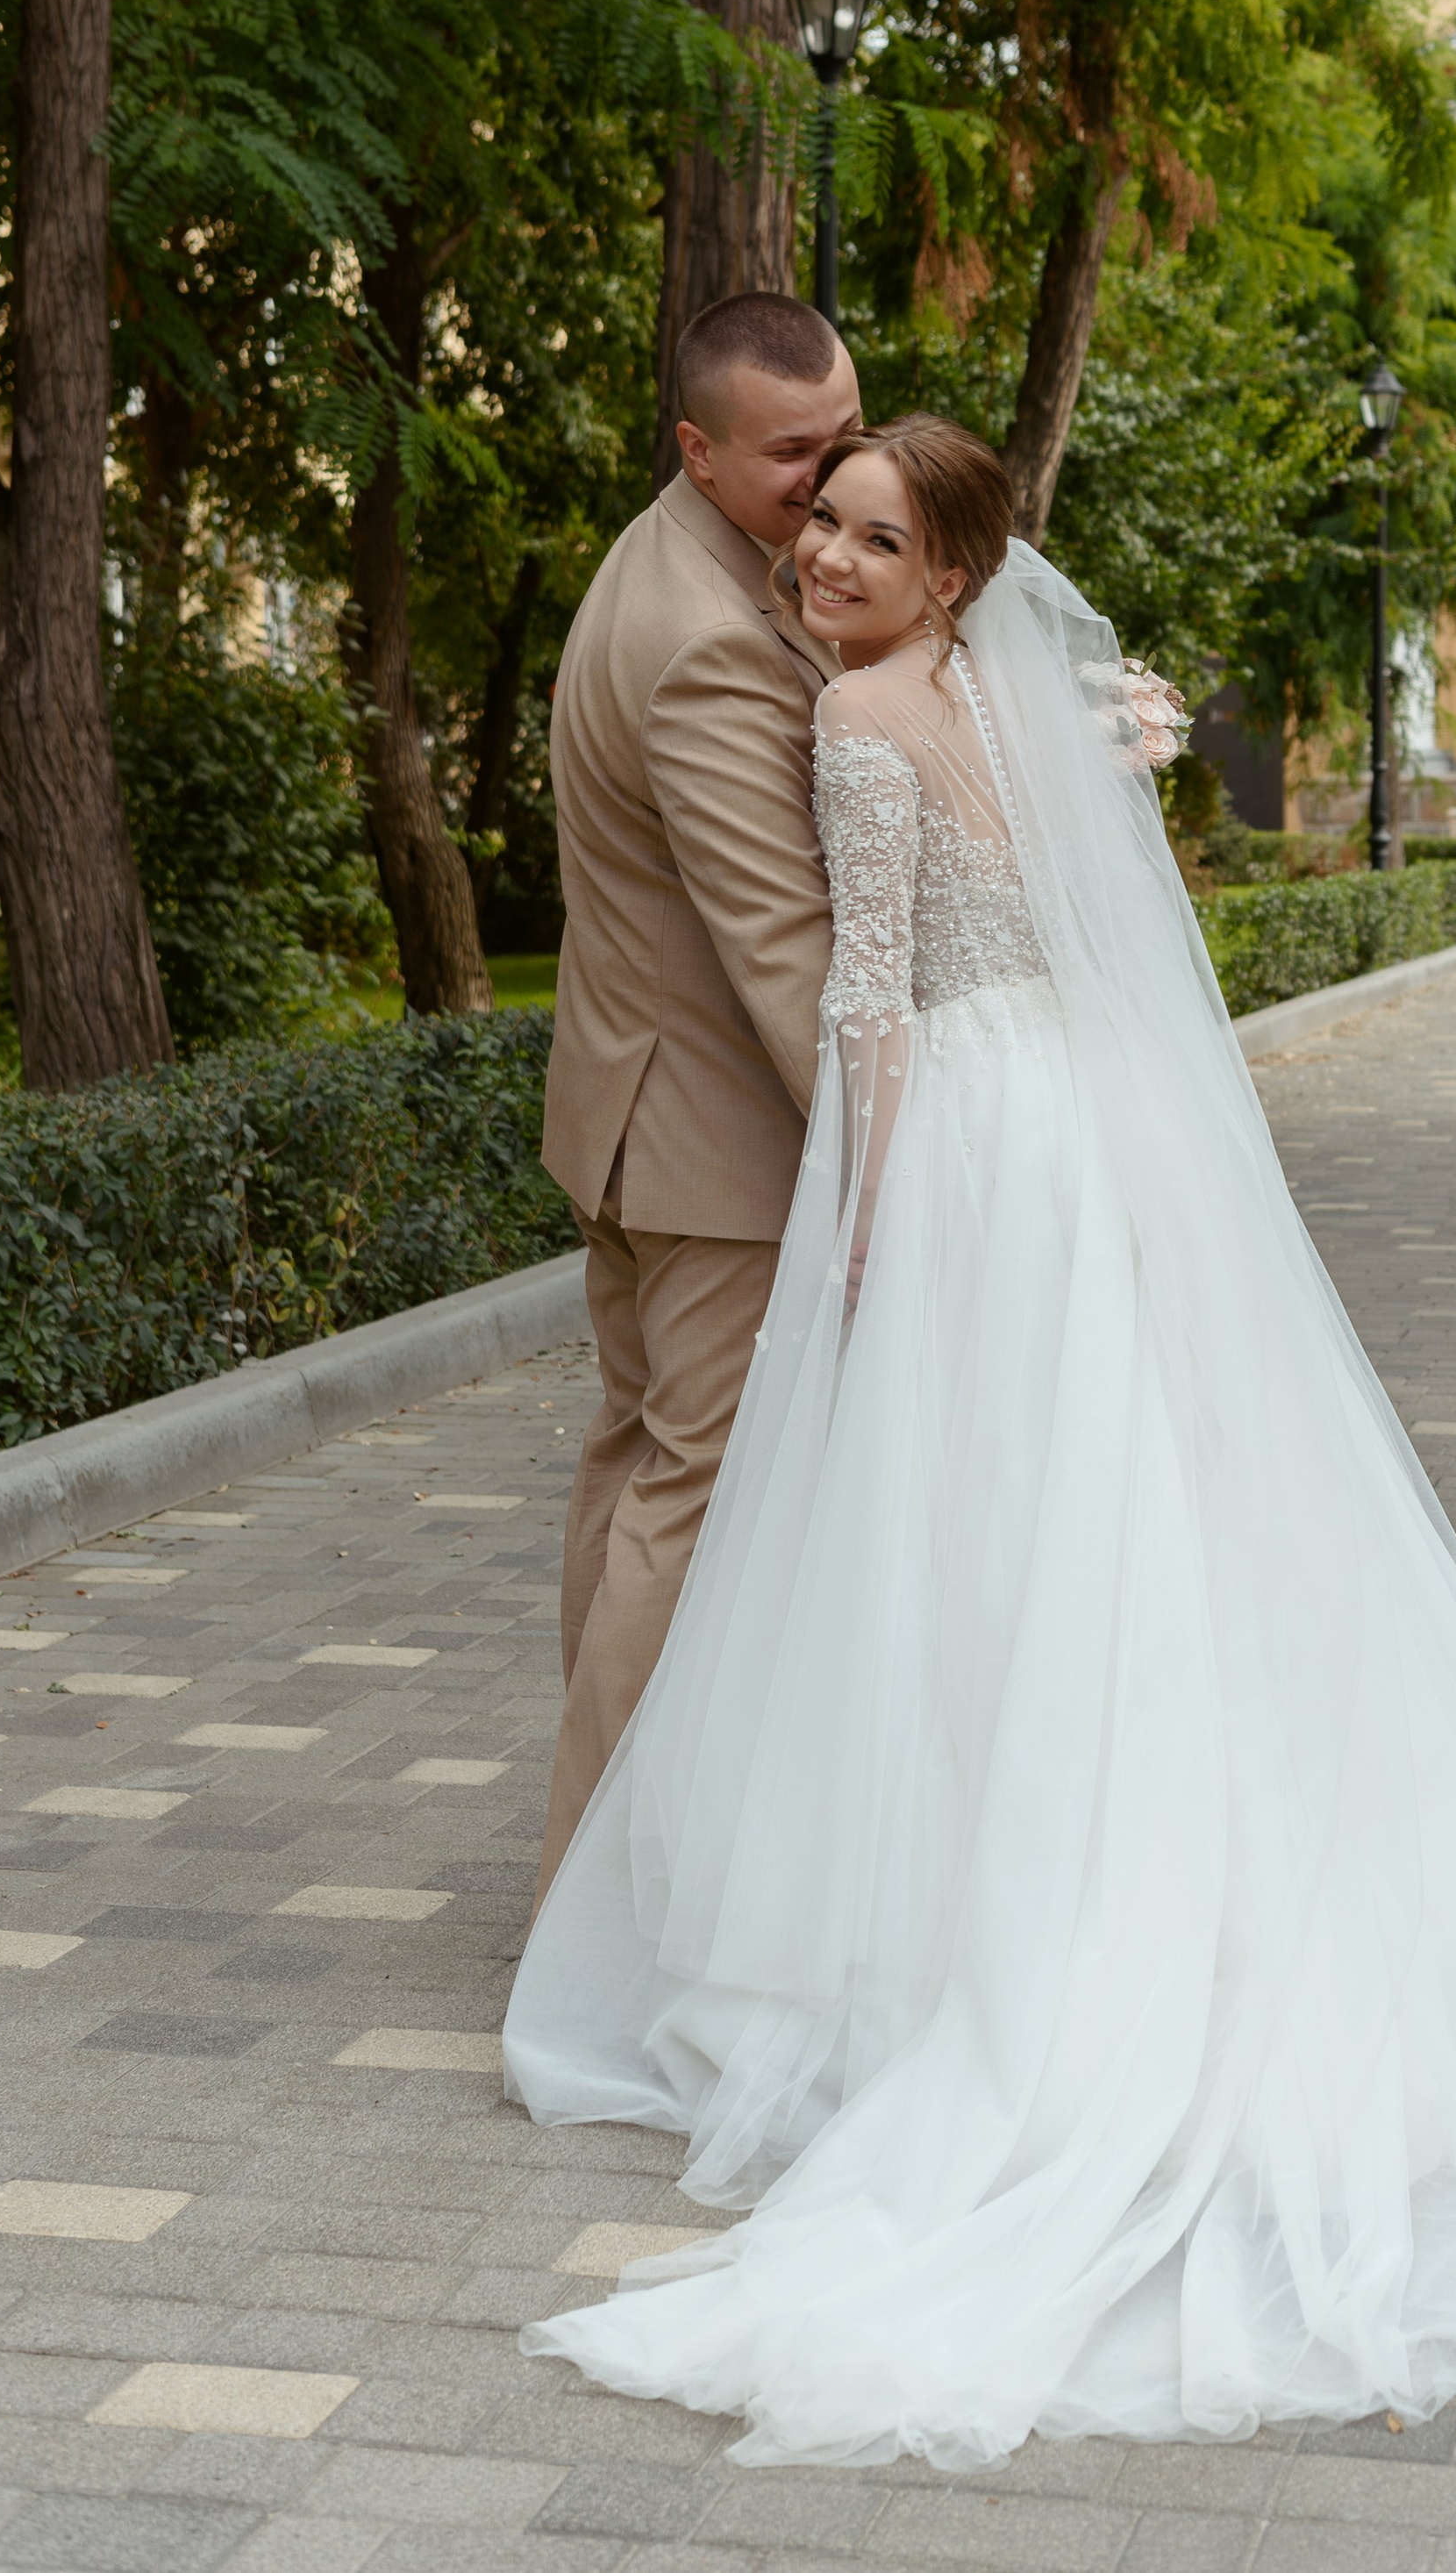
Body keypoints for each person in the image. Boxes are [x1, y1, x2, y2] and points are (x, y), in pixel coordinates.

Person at [505, 413, 1456, 2467]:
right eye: (820, 519)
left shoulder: (862, 724)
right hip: (1084, 1128)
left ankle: (972, 1955)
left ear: (949, 576)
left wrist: (869, 1231)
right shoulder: (1027, 710)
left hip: (973, 1154)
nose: (825, 557)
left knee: (970, 1533)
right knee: (1113, 1510)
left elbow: (874, 1009)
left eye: (871, 538)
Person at [532, 291, 861, 1900]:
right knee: (693, 1489)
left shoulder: (679, 556)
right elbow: (779, 941)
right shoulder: (713, 641)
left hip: (627, 1110)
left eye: (845, 430)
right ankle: (591, 1894)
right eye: (796, 452)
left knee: (634, 1466)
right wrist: (886, 1147)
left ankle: (597, 1858)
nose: (832, 469)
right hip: (711, 1138)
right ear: (700, 450)